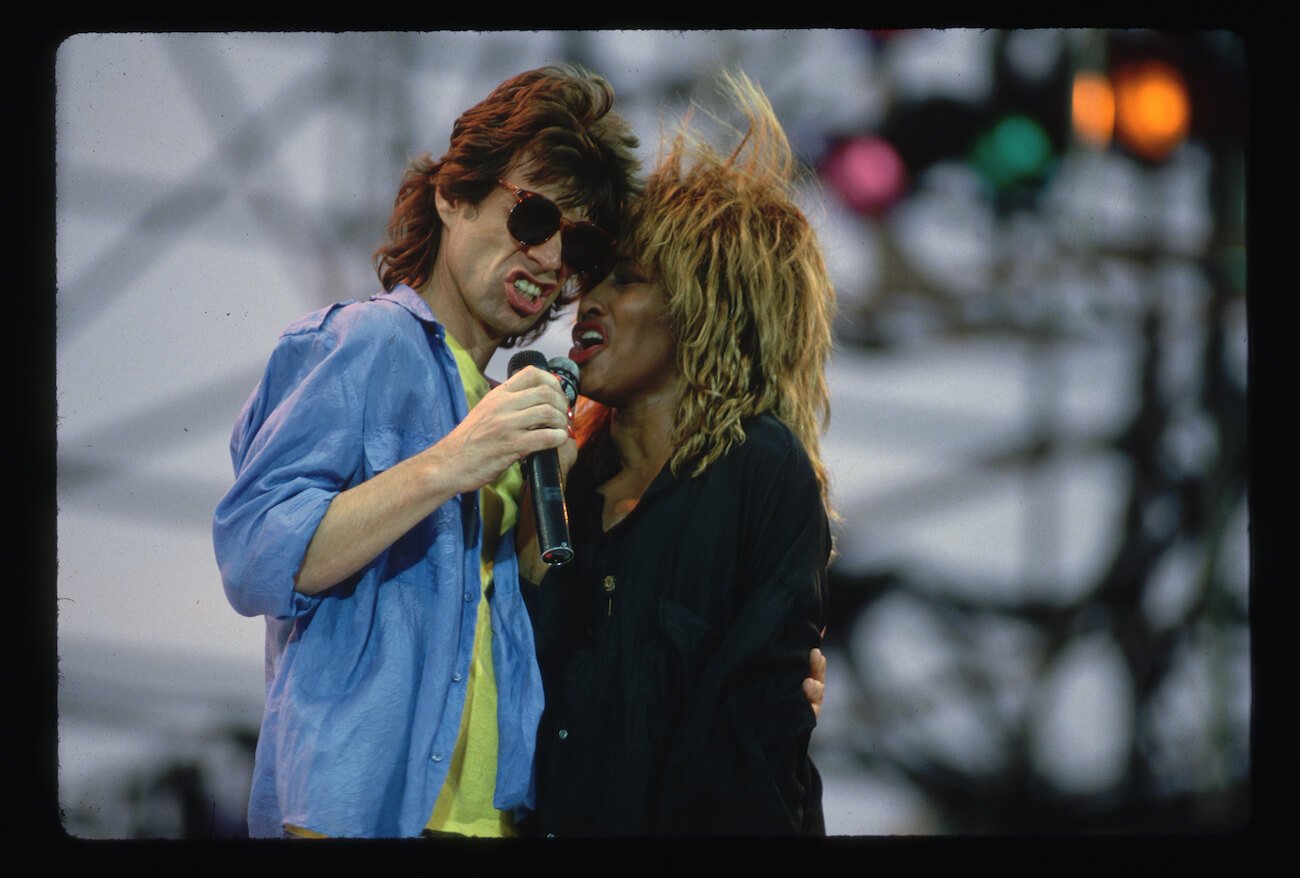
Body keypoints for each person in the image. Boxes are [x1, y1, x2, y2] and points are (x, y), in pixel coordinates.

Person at [212, 65, 641, 838]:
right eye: (534, 217)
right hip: (357, 811)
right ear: (452, 195)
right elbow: (255, 555)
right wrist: (455, 459)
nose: (551, 262)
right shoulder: (366, 343)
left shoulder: (515, 403)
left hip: (491, 819)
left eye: (577, 246)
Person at [517, 72, 835, 836]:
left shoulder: (760, 473)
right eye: (590, 277)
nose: (586, 299)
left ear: (706, 309)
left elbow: (750, 739)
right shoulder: (563, 478)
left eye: (626, 280)